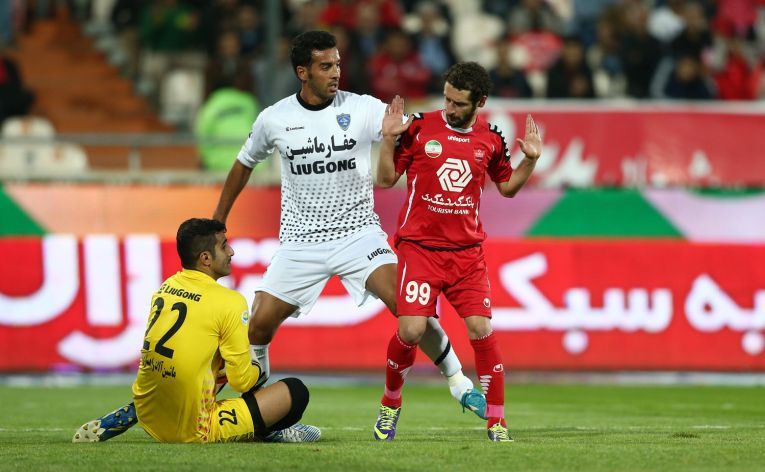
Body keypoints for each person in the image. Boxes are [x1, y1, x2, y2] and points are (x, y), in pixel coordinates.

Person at [74, 30, 485, 442]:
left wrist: (465, 132)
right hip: (300, 243)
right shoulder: (275, 118)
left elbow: (424, 132)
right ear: (302, 72)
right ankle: (261, 418)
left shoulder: (363, 109)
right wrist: (218, 219)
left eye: (338, 64)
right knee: (257, 327)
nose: (335, 73)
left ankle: (459, 383)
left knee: (409, 307)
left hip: (358, 234)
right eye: (325, 66)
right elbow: (243, 163)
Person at [372, 62, 542, 442]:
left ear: (480, 102)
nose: (449, 108)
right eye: (447, 99)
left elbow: (508, 187)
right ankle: (390, 404)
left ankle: (496, 422)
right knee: (411, 329)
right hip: (420, 249)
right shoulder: (418, 128)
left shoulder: (491, 139)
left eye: (458, 103)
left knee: (481, 329)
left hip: (466, 254)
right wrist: (387, 139)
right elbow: (385, 179)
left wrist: (529, 160)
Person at [73, 218, 320, 444]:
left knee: (210, 357)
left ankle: (137, 409)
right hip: (193, 428)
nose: (231, 252)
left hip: (149, 410)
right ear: (206, 258)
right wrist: (258, 365)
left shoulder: (167, 286)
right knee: (296, 392)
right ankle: (269, 430)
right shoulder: (230, 302)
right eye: (224, 246)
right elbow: (242, 381)